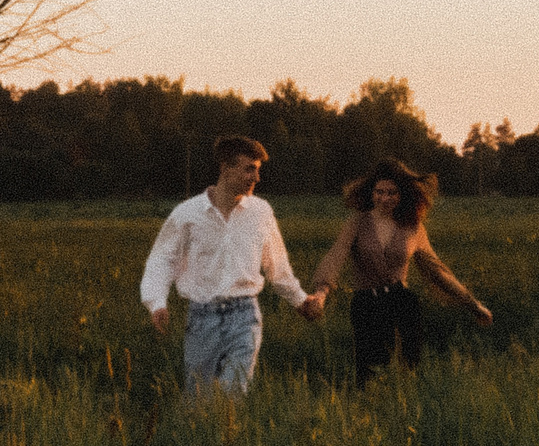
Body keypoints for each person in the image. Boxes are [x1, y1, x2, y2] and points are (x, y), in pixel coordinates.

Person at [141, 135, 326, 395]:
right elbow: (162, 260)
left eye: (258, 170)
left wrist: (300, 301)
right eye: (249, 168)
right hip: (202, 318)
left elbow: (278, 267)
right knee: (199, 401)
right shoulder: (187, 213)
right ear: (225, 168)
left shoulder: (261, 212)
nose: (256, 178)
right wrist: (157, 302)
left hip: (245, 316)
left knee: (233, 396)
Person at [307, 157, 491, 385]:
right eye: (379, 192)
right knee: (369, 374)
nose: (385, 198)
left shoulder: (412, 227)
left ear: (402, 194)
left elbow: (437, 270)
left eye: (392, 193)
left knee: (407, 373)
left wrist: (472, 303)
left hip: (402, 303)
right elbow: (336, 255)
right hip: (366, 305)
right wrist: (321, 293)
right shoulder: (358, 222)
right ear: (371, 192)